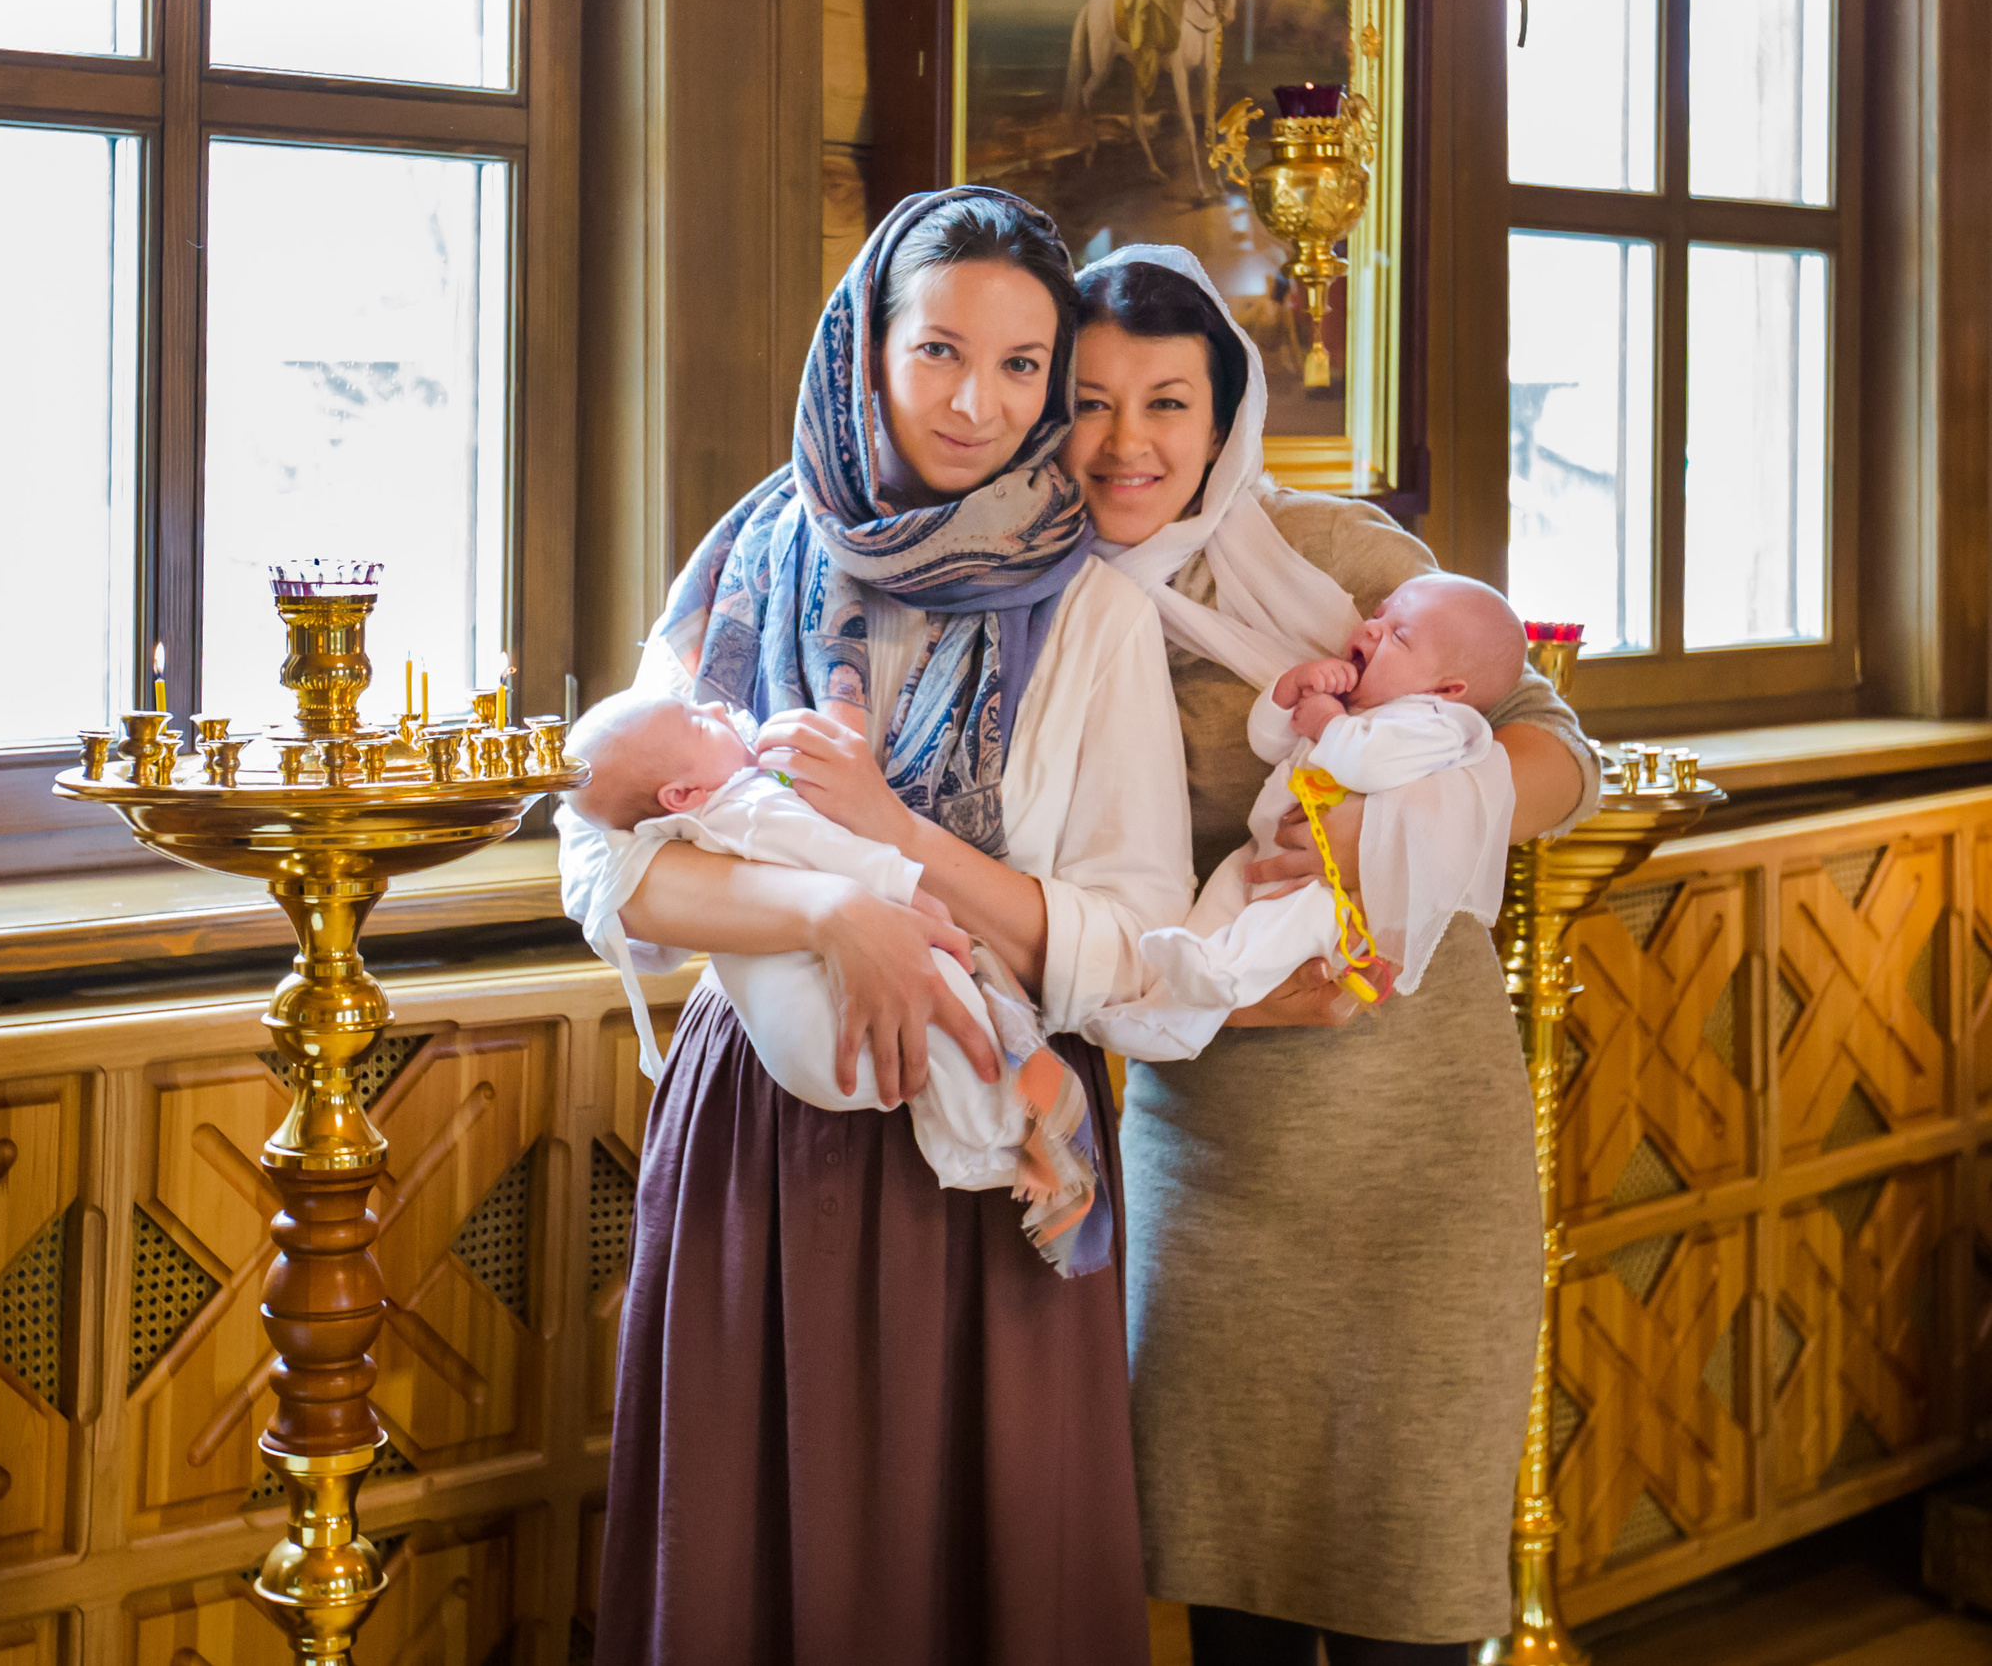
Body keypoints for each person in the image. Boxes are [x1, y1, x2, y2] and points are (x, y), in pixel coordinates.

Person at [560, 188, 1192, 1664]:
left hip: (992, 1163)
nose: (978, 401)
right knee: (757, 1567)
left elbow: (1140, 941)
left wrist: (907, 858)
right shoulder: (741, 563)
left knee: (981, 1573)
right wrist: (834, 908)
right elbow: (599, 864)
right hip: (759, 1137)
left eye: (1024, 365)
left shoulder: (1087, 612)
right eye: (940, 351)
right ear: (865, 348)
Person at [1068, 243, 1603, 1666]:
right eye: (1090, 399)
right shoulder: (1042, 606)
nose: (1130, 441)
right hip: (1220, 1153)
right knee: (1231, 1591)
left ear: (1225, 407)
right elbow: (1043, 899)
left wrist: (1396, 832)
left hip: (1422, 1158)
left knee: (1408, 1596)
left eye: (1168, 401)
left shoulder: (1345, 559)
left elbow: (1563, 748)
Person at [566, 687, 1108, 1275]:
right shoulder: (746, 805)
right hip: (810, 1036)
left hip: (797, 1049)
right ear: (680, 794)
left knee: (932, 1062)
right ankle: (1026, 1126)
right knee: (956, 1029)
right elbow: (833, 850)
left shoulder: (682, 823)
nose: (720, 708)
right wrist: (892, 895)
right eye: (700, 722)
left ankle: (990, 1155)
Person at [1094, 572, 1525, 1057]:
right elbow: (1270, 743)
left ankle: (1223, 975)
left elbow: (1367, 763)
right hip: (1264, 854)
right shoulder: (1358, 706)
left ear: (1447, 689)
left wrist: (1329, 720)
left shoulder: (1438, 725)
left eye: (1399, 636)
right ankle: (1163, 1019)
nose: (1372, 629)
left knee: (1281, 927)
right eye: (1379, 615)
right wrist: (1289, 692)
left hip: (1333, 894)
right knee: (1211, 914)